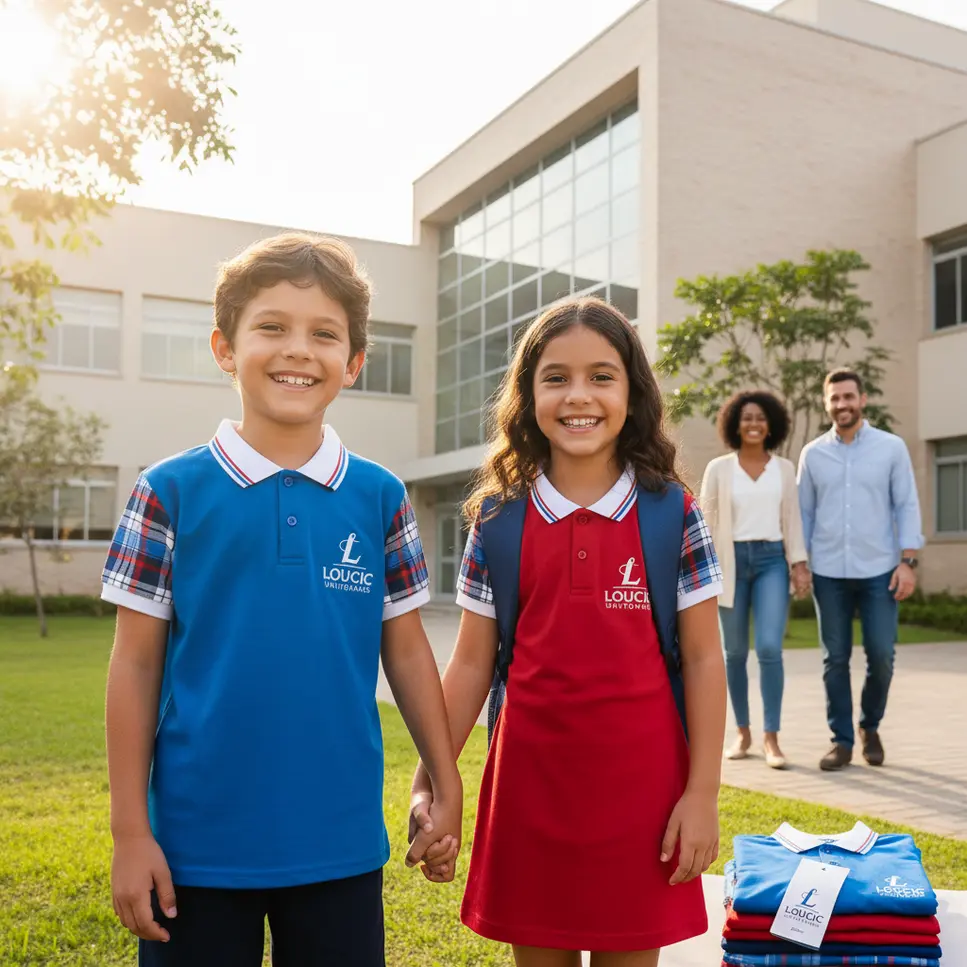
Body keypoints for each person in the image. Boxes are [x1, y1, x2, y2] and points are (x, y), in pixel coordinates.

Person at [101, 232, 463, 967]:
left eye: (323, 334)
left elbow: (406, 650)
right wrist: (130, 832)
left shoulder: (380, 496)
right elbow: (135, 666)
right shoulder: (166, 491)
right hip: (194, 847)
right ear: (224, 347)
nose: (298, 349)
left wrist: (447, 780)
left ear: (353, 362)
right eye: (271, 326)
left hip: (341, 842)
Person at [410, 297, 727, 967]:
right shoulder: (496, 519)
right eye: (555, 377)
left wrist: (700, 794)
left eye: (600, 376)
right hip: (529, 793)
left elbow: (702, 659)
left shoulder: (673, 512)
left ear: (631, 392)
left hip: (644, 799)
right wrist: (429, 784)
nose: (577, 395)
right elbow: (469, 664)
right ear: (526, 395)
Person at [798, 368, 924, 772]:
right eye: (835, 398)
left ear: (863, 400)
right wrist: (800, 564)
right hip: (830, 571)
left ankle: (870, 726)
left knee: (882, 655)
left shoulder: (891, 448)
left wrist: (908, 562)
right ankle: (842, 740)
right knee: (834, 659)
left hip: (879, 571)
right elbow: (803, 513)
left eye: (849, 397)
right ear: (826, 403)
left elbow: (906, 505)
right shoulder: (813, 454)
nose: (842, 405)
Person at [700, 390, 811, 770]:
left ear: (771, 425)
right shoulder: (718, 469)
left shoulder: (783, 469)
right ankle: (743, 731)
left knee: (768, 648)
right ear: (735, 424)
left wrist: (799, 564)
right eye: (746, 417)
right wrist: (703, 576)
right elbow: (706, 525)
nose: (753, 424)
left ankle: (771, 737)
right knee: (733, 653)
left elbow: (793, 521)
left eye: (760, 418)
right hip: (730, 563)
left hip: (770, 562)